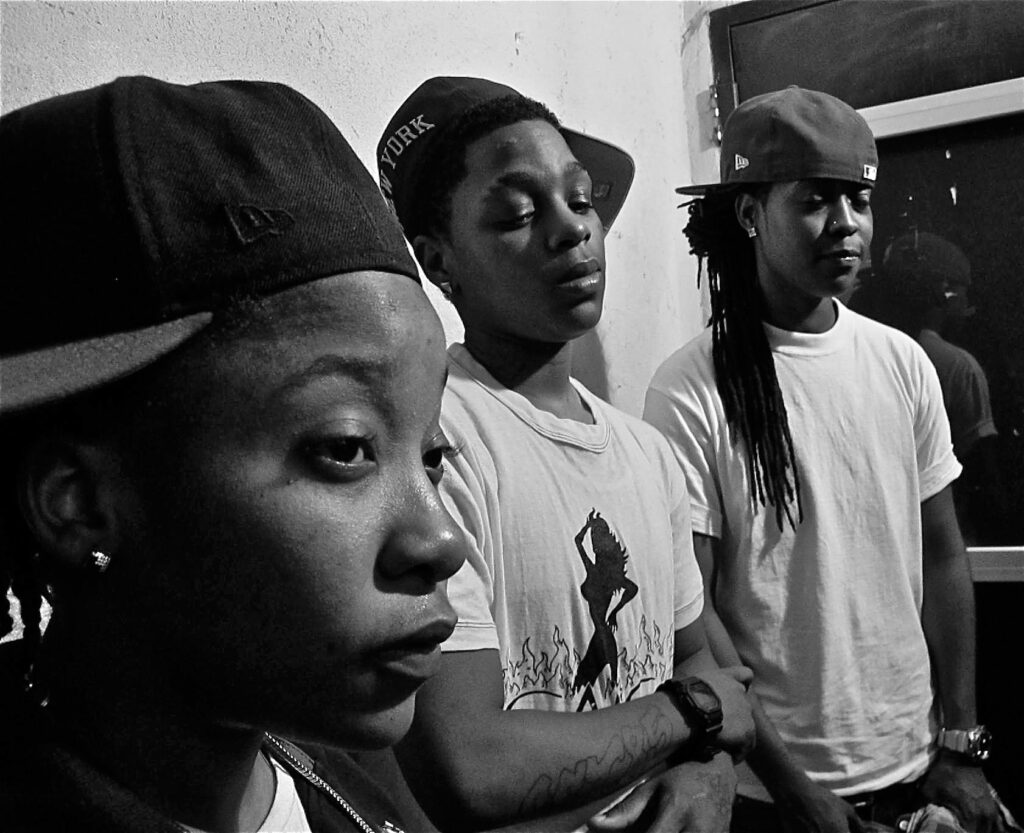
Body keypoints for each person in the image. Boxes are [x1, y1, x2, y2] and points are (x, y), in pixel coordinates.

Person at [0, 75, 467, 832]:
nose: (443, 541)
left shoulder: (341, 776)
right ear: (77, 501)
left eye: (433, 453)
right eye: (345, 447)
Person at [374, 75, 755, 833]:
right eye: (518, 214)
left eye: (581, 200)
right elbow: (470, 766)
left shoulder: (648, 455)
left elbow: (700, 663)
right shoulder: (435, 442)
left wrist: (707, 767)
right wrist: (694, 716)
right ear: (439, 260)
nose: (572, 229)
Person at [643, 86, 1011, 833]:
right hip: (771, 792)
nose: (846, 223)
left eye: (859, 201)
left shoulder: (902, 363)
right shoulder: (691, 387)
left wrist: (960, 740)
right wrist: (791, 788)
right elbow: (694, 609)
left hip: (917, 766)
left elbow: (943, 555)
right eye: (816, 200)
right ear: (750, 213)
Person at [855, 231, 1004, 543]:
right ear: (944, 291)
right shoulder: (959, 367)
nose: (968, 303)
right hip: (948, 538)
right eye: (962, 290)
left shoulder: (863, 353)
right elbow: (984, 476)